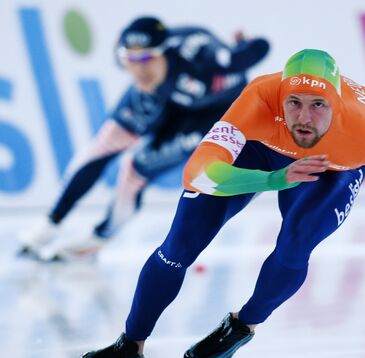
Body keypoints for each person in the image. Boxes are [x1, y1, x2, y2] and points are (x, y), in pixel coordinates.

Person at [56, 48, 365, 358]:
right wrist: (273, 178)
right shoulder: (259, 98)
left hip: (330, 166)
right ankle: (130, 343)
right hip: (263, 153)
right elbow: (197, 173)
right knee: (178, 245)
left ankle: (244, 324)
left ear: (337, 105)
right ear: (280, 97)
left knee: (296, 242)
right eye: (294, 103)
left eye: (318, 105)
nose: (304, 119)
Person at [19, 17, 269, 261]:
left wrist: (243, 48)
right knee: (102, 145)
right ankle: (50, 223)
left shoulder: (200, 54)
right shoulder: (142, 76)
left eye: (147, 58)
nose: (138, 69)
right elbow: (100, 151)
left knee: (134, 170)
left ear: (165, 52)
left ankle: (98, 238)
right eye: (130, 60)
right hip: (166, 100)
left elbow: (260, 48)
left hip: (210, 114)